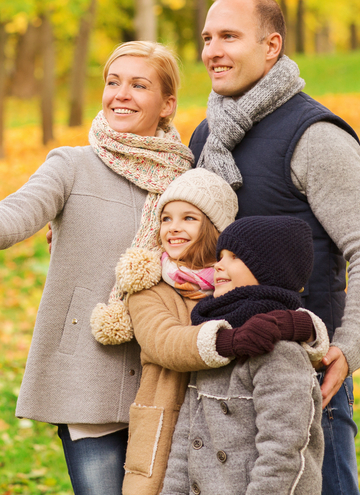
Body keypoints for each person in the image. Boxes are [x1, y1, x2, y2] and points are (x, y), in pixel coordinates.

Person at [0, 41, 196, 494]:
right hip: (86, 375)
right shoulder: (72, 165)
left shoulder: (188, 180)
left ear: (167, 104)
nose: (121, 94)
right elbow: (17, 213)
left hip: (167, 380)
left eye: (138, 85)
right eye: (113, 83)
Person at [189, 0, 360, 495]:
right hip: (218, 367)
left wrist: (350, 345)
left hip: (301, 369)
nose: (212, 50)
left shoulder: (315, 136)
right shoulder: (205, 138)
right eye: (207, 38)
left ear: (271, 46)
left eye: (229, 36)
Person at [92, 168, 326, 495]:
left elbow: (283, 450)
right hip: (164, 427)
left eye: (189, 218)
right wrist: (232, 340)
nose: (174, 227)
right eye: (166, 219)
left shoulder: (224, 298)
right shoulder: (153, 289)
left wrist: (298, 325)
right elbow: (165, 342)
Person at [160, 215, 327, 495]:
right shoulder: (215, 341)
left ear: (270, 270)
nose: (218, 265)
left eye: (235, 257)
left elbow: (282, 454)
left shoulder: (280, 351)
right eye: (220, 256)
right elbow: (186, 444)